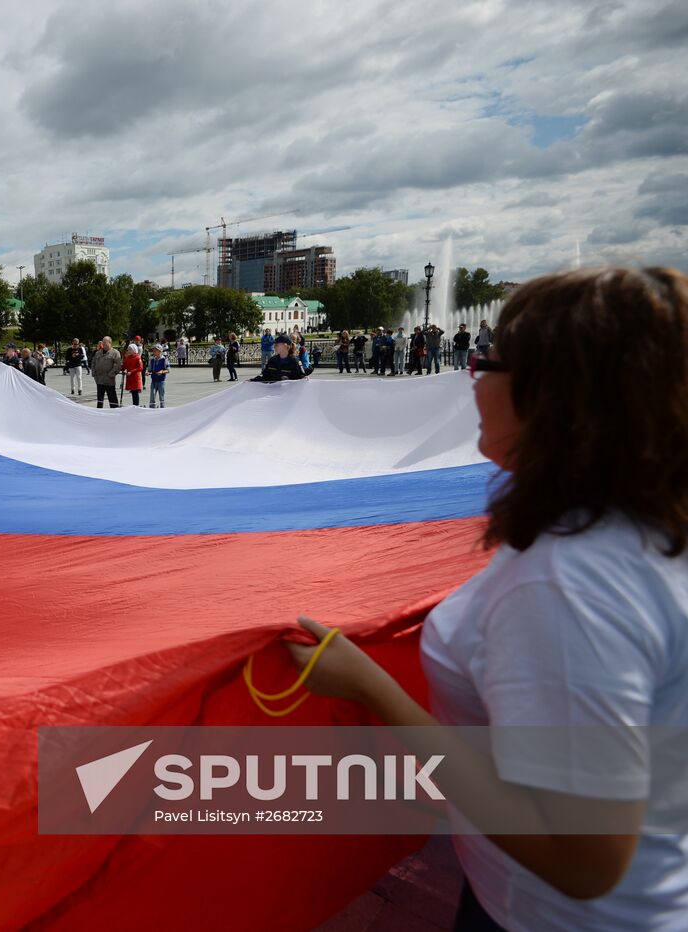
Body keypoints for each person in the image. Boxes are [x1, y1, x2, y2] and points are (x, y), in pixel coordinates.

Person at [283, 267, 688, 931]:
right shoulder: (647, 527)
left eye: (488, 361)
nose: (471, 377)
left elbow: (583, 860)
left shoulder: (570, 584)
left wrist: (375, 691)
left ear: (556, 396)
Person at [91, 337, 121, 408]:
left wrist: (111, 374)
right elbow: (93, 363)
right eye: (103, 342)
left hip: (109, 380)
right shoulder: (98, 353)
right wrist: (94, 372)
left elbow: (118, 365)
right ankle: (99, 413)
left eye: (105, 342)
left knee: (112, 400)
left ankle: (115, 413)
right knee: (100, 400)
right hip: (99, 380)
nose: (103, 344)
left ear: (110, 343)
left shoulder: (115, 353)